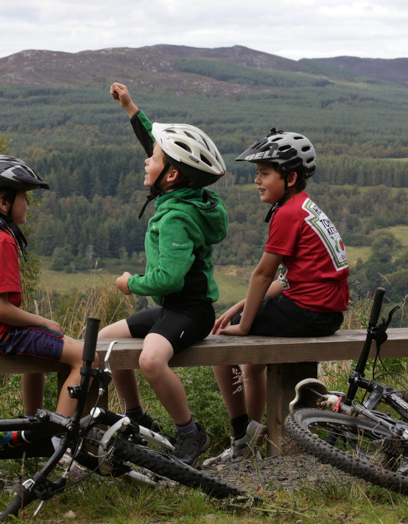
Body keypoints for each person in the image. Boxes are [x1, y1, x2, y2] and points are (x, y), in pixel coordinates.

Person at [99, 82, 228, 466]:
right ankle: (135, 417)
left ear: (170, 176)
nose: (146, 161)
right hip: (172, 309)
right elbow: (161, 152)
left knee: (151, 361)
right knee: (106, 344)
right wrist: (130, 108)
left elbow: (169, 280)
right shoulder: (187, 194)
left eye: (152, 159)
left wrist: (130, 284)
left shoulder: (175, 217)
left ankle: (189, 432)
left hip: (192, 311)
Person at [203, 129, 349, 467]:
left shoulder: (287, 214)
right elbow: (288, 279)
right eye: (257, 173)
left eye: (264, 173)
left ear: (291, 177)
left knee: (219, 342)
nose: (256, 180)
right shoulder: (305, 207)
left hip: (307, 311)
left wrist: (242, 326)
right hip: (326, 312)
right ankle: (253, 437)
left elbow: (264, 274)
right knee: (249, 357)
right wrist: (240, 308)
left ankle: (242, 435)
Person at [0, 155, 93, 420]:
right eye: (24, 197)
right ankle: (60, 440)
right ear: (4, 202)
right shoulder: (1, 240)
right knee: (86, 358)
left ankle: (32, 422)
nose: (28, 204)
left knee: (36, 336)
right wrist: (46, 321)